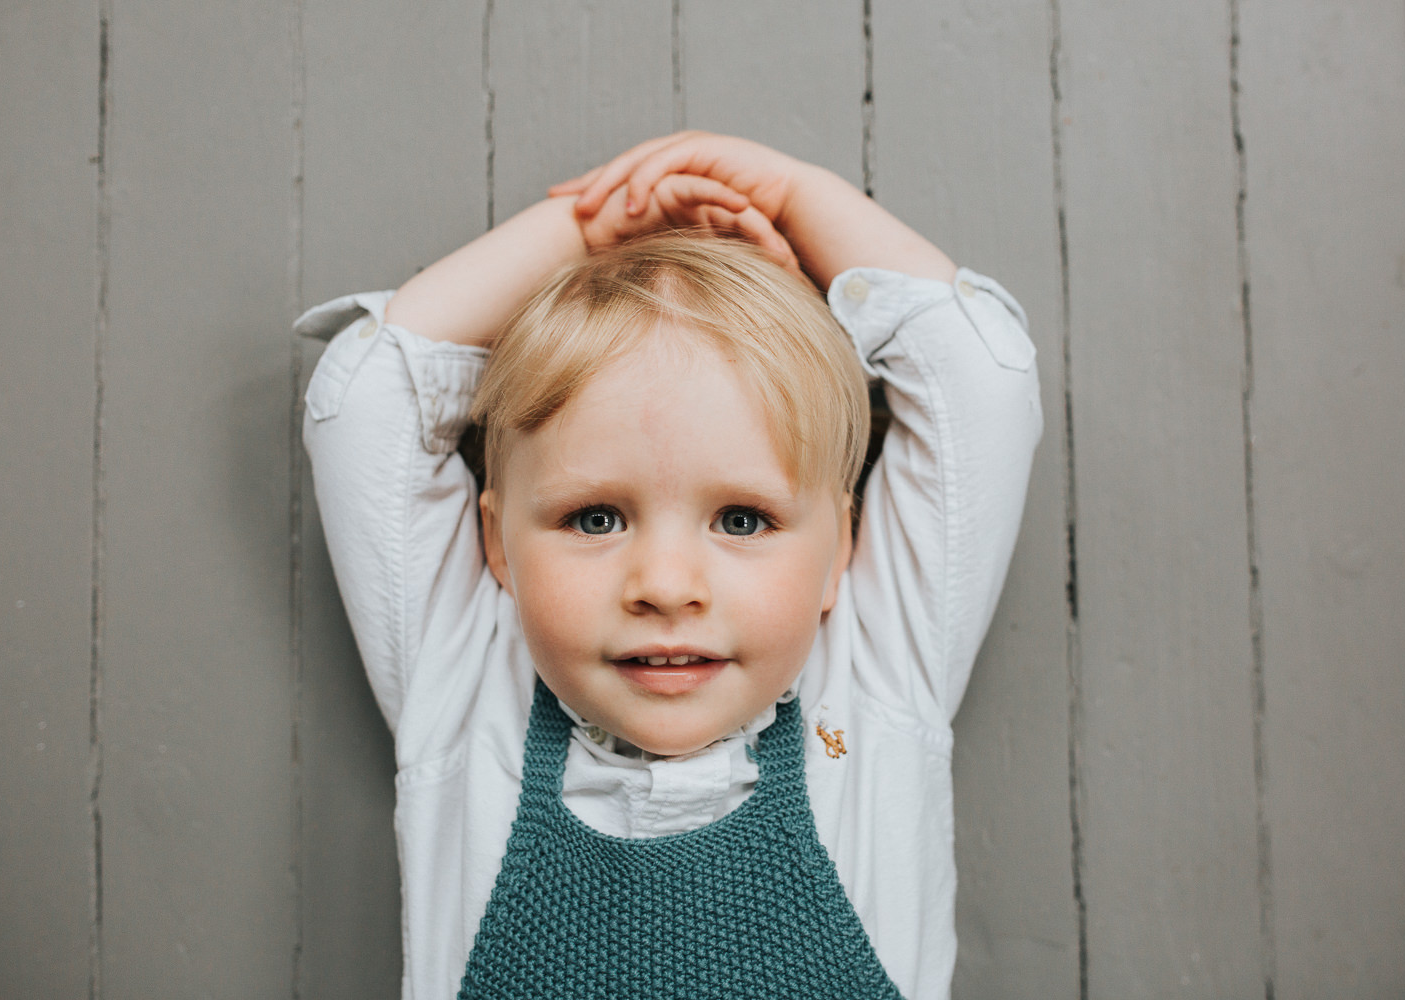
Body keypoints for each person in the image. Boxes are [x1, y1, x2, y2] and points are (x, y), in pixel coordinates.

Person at [297, 132, 1041, 999]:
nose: (665, 585)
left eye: (741, 519)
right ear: (496, 543)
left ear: (841, 548)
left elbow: (981, 377)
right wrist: (588, 234)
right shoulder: (467, 689)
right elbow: (363, 402)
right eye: (596, 517)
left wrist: (796, 195)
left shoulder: (871, 688)